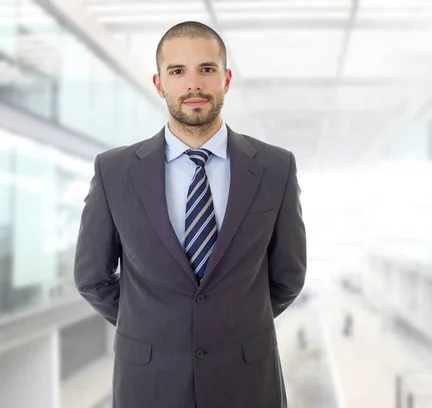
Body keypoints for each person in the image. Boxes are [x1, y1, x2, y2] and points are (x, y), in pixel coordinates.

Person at [74, 21, 306, 408]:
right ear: (159, 82)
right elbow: (92, 278)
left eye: (207, 69)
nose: (193, 85)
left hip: (247, 380)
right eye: (178, 71)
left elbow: (288, 277)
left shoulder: (275, 167)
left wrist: (228, 323)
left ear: (227, 79)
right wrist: (157, 326)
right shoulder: (114, 172)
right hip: (148, 382)